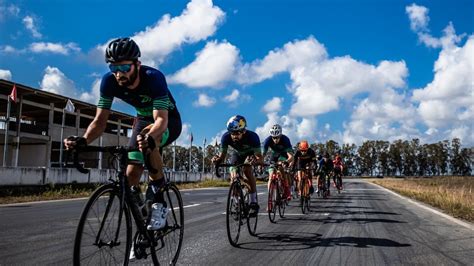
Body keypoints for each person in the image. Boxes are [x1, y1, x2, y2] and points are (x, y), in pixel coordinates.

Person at [64, 37, 182, 231]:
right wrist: (84, 140)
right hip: (143, 118)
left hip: (168, 119)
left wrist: (149, 137)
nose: (119, 74)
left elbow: (160, 120)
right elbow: (100, 122)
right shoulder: (108, 82)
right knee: (132, 172)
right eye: (114, 68)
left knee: (148, 137)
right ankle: (140, 217)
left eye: (125, 68)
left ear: (137, 64)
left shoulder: (154, 77)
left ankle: (159, 202)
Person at [212, 115, 263, 214]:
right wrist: (217, 160)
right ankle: (237, 202)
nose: (234, 136)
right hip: (237, 154)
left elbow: (260, 157)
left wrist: (255, 161)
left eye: (237, 133)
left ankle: (253, 201)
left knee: (247, 171)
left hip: (250, 154)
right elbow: (222, 157)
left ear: (243, 131)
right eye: (232, 133)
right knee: (233, 177)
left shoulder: (253, 137)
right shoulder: (225, 137)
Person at [262, 124, 293, 201]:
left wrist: (286, 162)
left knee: (280, 166)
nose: (275, 140)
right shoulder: (267, 140)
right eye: (274, 138)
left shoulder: (285, 139)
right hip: (275, 154)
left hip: (284, 154)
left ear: (280, 135)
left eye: (277, 138)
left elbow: (291, 156)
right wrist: (261, 162)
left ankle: (286, 189)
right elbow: (263, 154)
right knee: (271, 174)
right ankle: (270, 197)